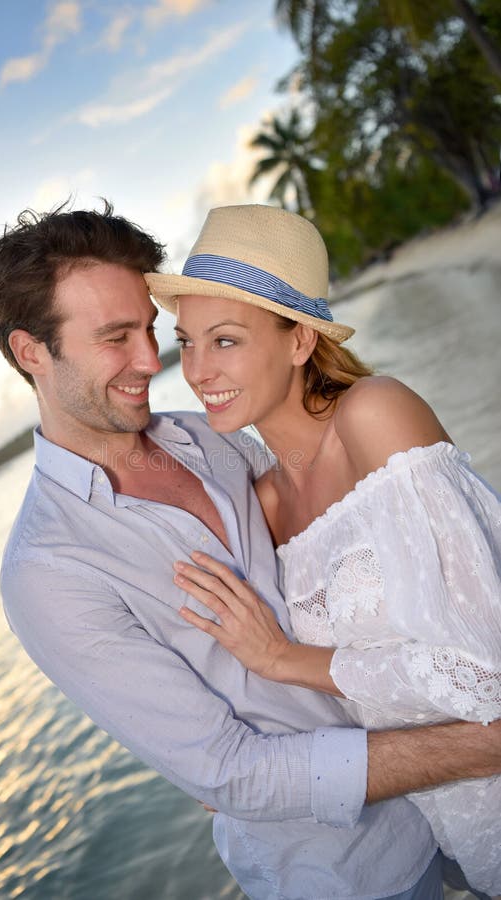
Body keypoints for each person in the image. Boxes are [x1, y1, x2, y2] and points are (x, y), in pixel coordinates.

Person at [0, 202, 501, 900]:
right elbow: (228, 774)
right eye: (116, 337)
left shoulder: (217, 442)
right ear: (30, 352)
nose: (156, 362)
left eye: (149, 330)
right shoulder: (48, 571)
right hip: (340, 873)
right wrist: (475, 746)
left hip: (448, 820)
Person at [145, 203, 501, 898]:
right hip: (439, 827)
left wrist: (282, 658)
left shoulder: (375, 414)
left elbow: (484, 671)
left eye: (224, 340)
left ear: (300, 340)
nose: (196, 371)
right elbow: (315, 695)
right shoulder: (266, 507)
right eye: (185, 342)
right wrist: (213, 761)